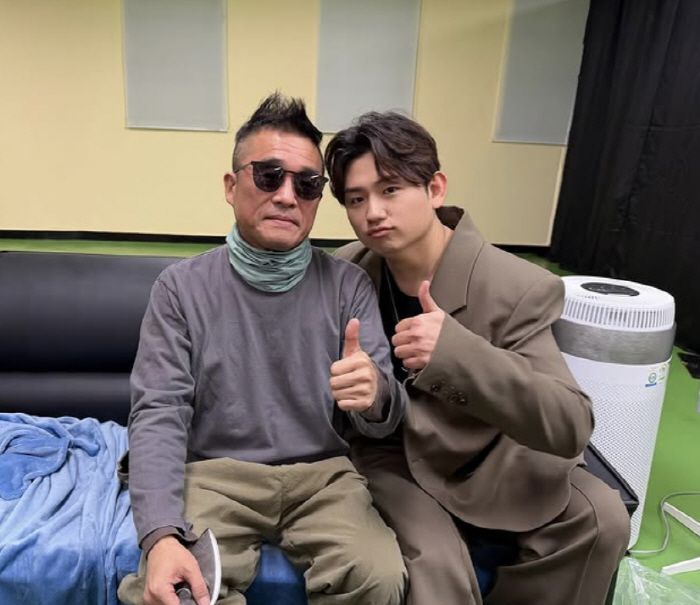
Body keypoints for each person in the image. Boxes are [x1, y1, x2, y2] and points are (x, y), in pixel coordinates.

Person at [324, 111, 630, 605]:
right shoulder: (346, 272)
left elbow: (570, 423)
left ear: (435, 188)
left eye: (391, 190)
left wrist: (455, 353)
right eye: (356, 200)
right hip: (391, 456)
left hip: (492, 454)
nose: (373, 212)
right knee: (436, 565)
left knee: (602, 518)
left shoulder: (517, 286)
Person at [118, 94, 407, 605]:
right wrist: (160, 535)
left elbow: (384, 418)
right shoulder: (180, 289)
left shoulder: (349, 286)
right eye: (269, 176)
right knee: (174, 591)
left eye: (308, 184)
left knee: (379, 577)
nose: (287, 196)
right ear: (231, 187)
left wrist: (375, 395)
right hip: (214, 475)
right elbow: (159, 413)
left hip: (324, 479)